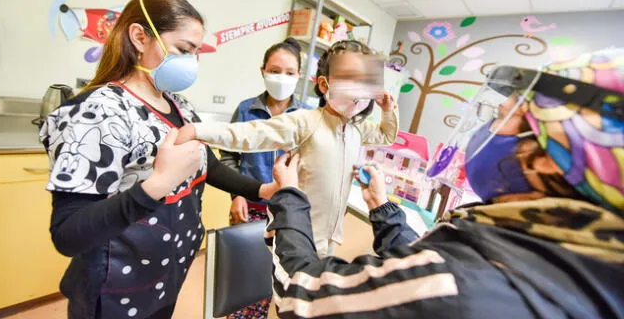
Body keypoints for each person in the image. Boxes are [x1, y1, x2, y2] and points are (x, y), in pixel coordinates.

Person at [264, 49, 624, 318]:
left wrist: (289, 197)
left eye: (499, 118)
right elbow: (429, 261)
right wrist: (384, 210)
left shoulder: (461, 284)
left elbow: (301, 293)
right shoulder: (580, 257)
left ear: (547, 157)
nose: (486, 129)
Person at [40, 0, 277, 319]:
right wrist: (159, 182)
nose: (191, 62)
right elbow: (68, 234)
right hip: (115, 283)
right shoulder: (97, 112)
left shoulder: (179, 106)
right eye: (183, 49)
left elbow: (204, 163)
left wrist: (260, 191)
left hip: (167, 272)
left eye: (196, 53)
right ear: (139, 36)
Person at [177, 40, 399, 257]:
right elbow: (250, 134)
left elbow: (386, 135)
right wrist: (198, 130)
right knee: (281, 284)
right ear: (324, 85)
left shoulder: (356, 128)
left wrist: (388, 110)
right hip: (296, 233)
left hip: (330, 237)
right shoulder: (305, 121)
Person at [221, 37, 310, 225]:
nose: (281, 77)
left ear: (299, 75)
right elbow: (229, 156)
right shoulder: (246, 110)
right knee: (243, 253)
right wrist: (237, 194)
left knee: (283, 254)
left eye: (290, 73)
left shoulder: (307, 116)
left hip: (291, 209)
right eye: (275, 71)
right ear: (263, 71)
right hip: (249, 205)